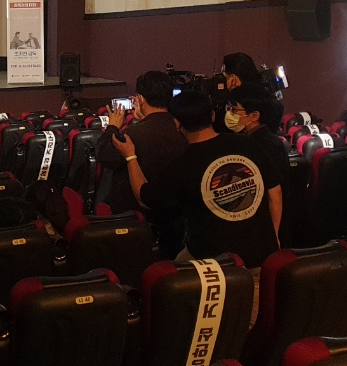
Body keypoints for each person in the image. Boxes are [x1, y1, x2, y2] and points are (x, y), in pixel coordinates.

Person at [114, 88, 282, 322]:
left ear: (177, 124)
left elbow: (145, 198)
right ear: (212, 116)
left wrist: (130, 156)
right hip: (259, 255)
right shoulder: (247, 144)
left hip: (210, 263)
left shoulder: (183, 165)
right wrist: (273, 236)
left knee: (169, 291)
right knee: (244, 327)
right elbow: (275, 192)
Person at [95, 71, 187, 228]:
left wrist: (112, 127)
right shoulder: (183, 129)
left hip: (135, 218)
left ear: (141, 99)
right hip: (175, 215)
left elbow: (105, 156)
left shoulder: (133, 134)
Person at [226, 82, 289, 182]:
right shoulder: (267, 139)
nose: (230, 113)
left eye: (234, 109)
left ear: (254, 116)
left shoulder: (259, 145)